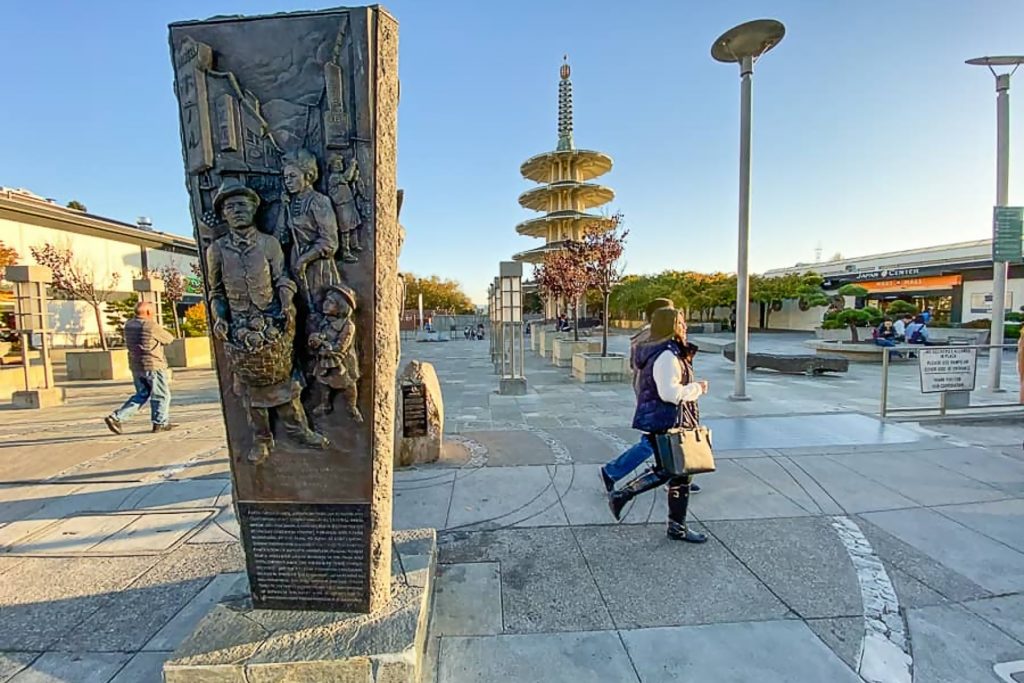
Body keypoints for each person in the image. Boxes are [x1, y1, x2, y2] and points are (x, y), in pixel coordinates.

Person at [607, 307, 709, 542]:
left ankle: (677, 527)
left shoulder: (669, 352)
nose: (685, 327)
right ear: (672, 326)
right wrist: (697, 389)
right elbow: (670, 393)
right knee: (670, 471)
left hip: (665, 420)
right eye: (681, 322)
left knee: (680, 473)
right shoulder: (666, 356)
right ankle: (623, 495)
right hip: (665, 421)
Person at [600, 297, 699, 493]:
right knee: (654, 442)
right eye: (672, 314)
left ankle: (677, 478)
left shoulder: (646, 335)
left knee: (662, 442)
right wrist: (694, 388)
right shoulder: (652, 337)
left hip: (651, 395)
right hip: (657, 396)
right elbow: (657, 373)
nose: (679, 321)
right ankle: (616, 474)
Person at [276, 148, 340, 312]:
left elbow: (330, 242)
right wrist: (283, 209)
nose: (287, 181)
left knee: (319, 308)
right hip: (296, 260)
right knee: (302, 309)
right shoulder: (289, 204)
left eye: (292, 176)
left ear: (308, 176)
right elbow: (280, 238)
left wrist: (304, 259)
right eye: (285, 178)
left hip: (317, 265)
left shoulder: (319, 201)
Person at [104, 301, 176, 434]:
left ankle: (116, 417)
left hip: (136, 365)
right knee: (161, 395)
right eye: (152, 311)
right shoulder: (150, 326)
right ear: (148, 312)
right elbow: (169, 338)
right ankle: (160, 423)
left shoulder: (129, 325)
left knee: (142, 394)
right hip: (154, 364)